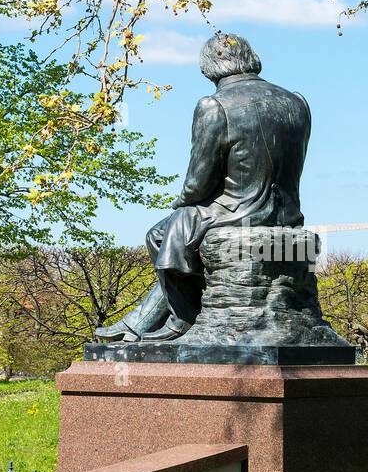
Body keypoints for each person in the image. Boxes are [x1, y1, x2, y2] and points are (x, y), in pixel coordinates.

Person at [97, 32, 312, 342]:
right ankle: (138, 323)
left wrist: (181, 202)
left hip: (238, 212)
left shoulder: (213, 105)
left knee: (162, 234)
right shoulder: (297, 102)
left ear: (210, 67)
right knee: (179, 234)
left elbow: (198, 183)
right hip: (287, 216)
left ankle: (182, 318)